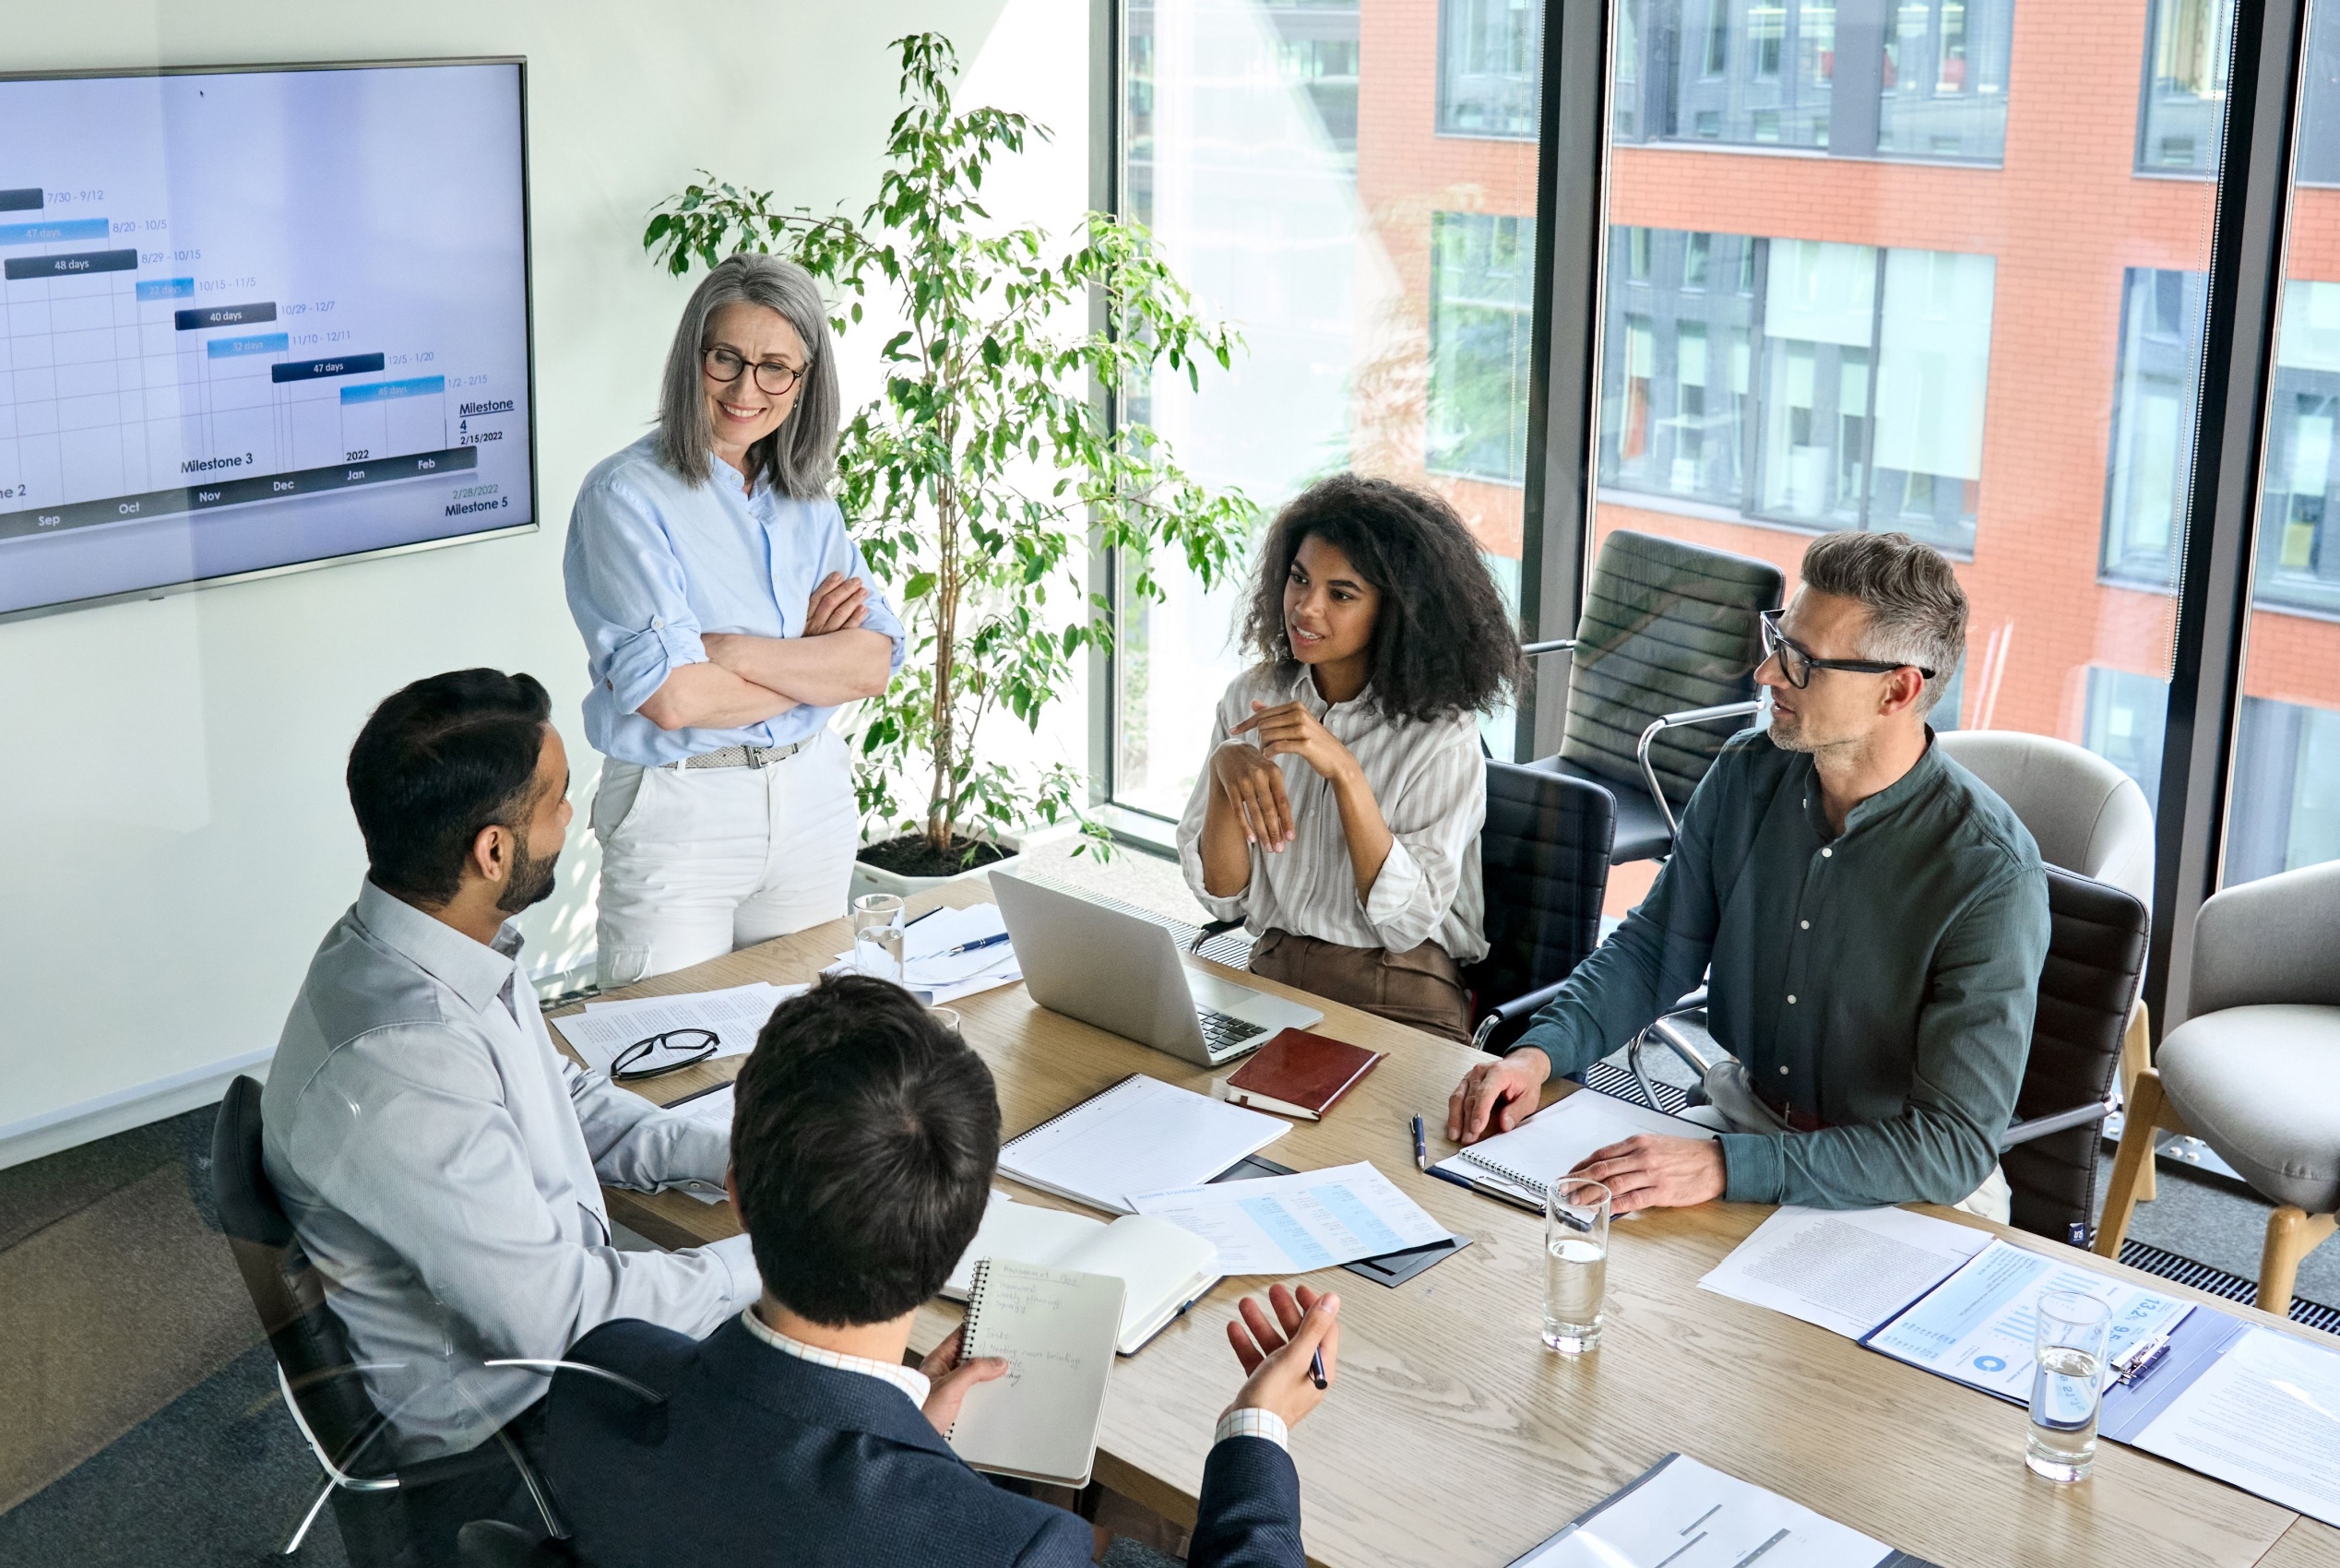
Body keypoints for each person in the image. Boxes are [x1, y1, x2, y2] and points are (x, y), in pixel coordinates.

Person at [545, 974, 1332, 1568]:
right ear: (960, 1240)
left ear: (738, 1197)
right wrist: (1257, 1431)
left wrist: (909, 1433)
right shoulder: (1010, 1548)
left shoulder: (599, 1379)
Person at [260, 670, 761, 1557]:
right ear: (493, 852)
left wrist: (748, 1157)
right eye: (558, 802)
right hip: (510, 1444)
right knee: (832, 1432)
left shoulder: (439, 944)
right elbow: (561, 1322)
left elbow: (564, 1101)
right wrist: (779, 1254)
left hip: (542, 1355)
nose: (574, 820)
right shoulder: (398, 1061)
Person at [1446, 531, 2050, 1221]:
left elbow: (1948, 1147)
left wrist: (1724, 1166)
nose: (1766, 674)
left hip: (1905, 1188)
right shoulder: (1745, 771)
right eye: (1777, 641)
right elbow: (1651, 952)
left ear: (1898, 690)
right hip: (1743, 1122)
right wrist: (1537, 1057)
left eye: (1803, 663)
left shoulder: (1991, 874)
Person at [564, 253, 905, 982]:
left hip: (811, 801)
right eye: (727, 359)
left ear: (804, 381)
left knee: (812, 1061)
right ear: (693, 358)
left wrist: (727, 650)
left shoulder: (809, 497)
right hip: (682, 807)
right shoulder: (625, 496)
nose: (748, 388)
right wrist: (812, 663)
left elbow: (871, 663)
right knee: (668, 1063)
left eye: (776, 367)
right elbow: (674, 696)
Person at [1176, 475, 1522, 1044]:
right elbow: (1223, 895)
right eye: (1299, 579)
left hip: (1399, 992)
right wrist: (1224, 772)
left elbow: (1407, 925)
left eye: (1341, 594)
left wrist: (1346, 772)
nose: (1306, 608)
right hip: (1274, 973)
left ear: (1397, 611)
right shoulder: (1250, 697)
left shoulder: (1441, 734)